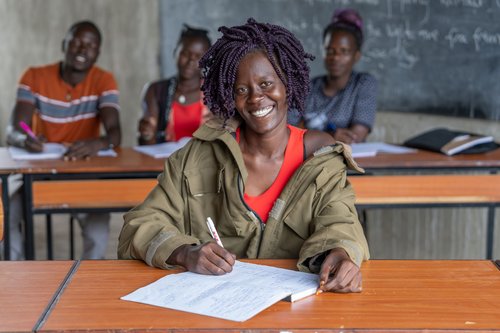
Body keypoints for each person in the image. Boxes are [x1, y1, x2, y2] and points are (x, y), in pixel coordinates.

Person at [118, 18, 369, 293]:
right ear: (229, 95)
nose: (255, 98)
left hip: (295, 308)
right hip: (213, 307)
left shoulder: (319, 156)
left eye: (266, 83)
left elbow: (341, 222)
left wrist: (341, 252)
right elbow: (138, 226)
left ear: (287, 82)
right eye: (241, 90)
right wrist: (184, 252)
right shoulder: (198, 156)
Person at [5, 20, 121, 260]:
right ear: (64, 44)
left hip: (82, 170)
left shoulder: (103, 80)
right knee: (6, 215)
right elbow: (14, 130)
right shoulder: (34, 76)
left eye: (90, 45)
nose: (82, 49)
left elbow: (115, 134)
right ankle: (13, 273)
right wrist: (25, 138)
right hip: (38, 171)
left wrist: (97, 143)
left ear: (98, 53)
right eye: (76, 42)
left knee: (98, 229)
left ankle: (87, 282)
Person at [289, 8, 377, 144]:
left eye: (344, 51)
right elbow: (290, 131)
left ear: (356, 55)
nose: (335, 57)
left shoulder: (363, 84)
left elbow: (355, 137)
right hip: (309, 160)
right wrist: (331, 135)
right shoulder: (306, 87)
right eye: (330, 50)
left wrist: (306, 129)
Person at [138, 24, 212, 145]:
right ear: (175, 53)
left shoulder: (216, 92)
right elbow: (148, 145)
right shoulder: (156, 90)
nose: (191, 61)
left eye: (199, 57)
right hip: (165, 162)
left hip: (205, 162)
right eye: (185, 54)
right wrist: (146, 134)